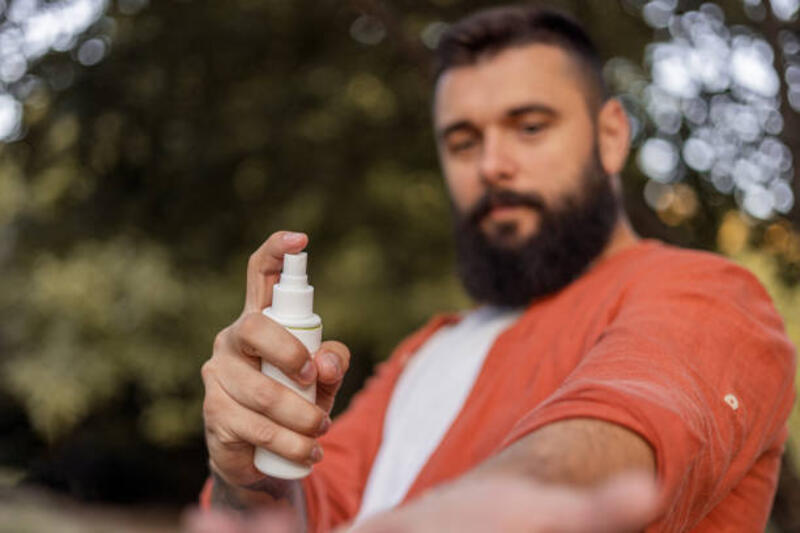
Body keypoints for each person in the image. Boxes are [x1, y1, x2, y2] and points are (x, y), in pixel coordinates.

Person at [195, 5, 796, 532]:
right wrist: (248, 474)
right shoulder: (423, 354)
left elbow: (615, 433)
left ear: (612, 136)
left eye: (529, 127)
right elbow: (295, 515)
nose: (492, 165)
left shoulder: (707, 293)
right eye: (463, 142)